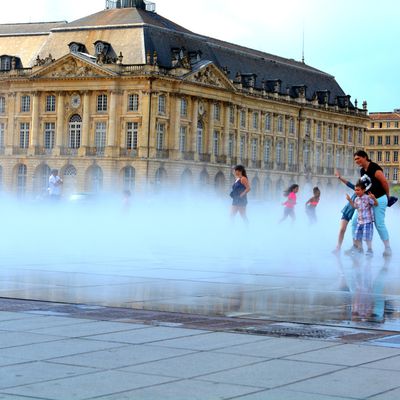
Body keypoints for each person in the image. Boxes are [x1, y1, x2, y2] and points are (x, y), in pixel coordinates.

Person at [352, 150, 392, 257]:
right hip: (366, 200)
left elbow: (384, 182)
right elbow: (363, 187)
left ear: (365, 157)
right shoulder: (362, 171)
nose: (356, 161)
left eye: (358, 158)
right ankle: (358, 247)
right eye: (355, 159)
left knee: (379, 223)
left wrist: (387, 196)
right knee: (355, 221)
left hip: (379, 199)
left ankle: (387, 248)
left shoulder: (374, 168)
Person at [346, 180, 378, 256]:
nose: (356, 191)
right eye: (355, 190)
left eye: (358, 190)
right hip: (359, 222)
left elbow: (376, 204)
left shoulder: (367, 198)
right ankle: (360, 249)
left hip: (367, 222)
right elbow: (354, 206)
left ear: (363, 190)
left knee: (367, 238)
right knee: (357, 236)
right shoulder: (356, 199)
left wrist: (374, 198)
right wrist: (350, 200)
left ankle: (370, 250)